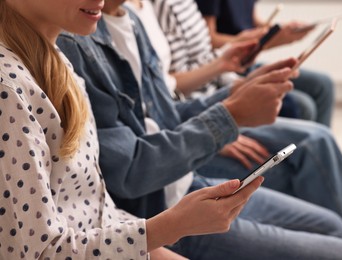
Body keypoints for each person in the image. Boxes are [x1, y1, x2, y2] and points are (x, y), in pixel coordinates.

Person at [56, 1, 342, 259]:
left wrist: (237, 93)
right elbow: (130, 172)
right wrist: (230, 116)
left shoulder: (131, 20)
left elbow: (166, 115)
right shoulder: (77, 37)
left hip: (187, 182)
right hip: (164, 213)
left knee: (333, 225)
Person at [0, 0, 269, 259]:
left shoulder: (56, 61)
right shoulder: (9, 89)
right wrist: (172, 225)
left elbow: (97, 209)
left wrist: (159, 240)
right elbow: (42, 253)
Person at [155, 0, 335, 126]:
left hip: (229, 66)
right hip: (223, 70)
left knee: (322, 85)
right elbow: (174, 83)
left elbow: (252, 21)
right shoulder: (162, 9)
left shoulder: (185, 4)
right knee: (303, 107)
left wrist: (276, 33)